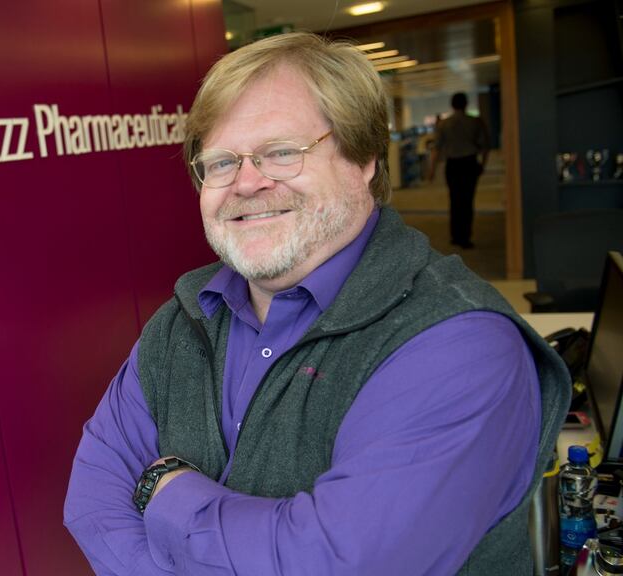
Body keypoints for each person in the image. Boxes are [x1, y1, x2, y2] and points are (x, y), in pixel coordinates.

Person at [64, 32, 570, 575]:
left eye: (282, 153)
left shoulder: (458, 343)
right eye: (220, 162)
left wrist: (165, 494)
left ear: (366, 159)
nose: (247, 183)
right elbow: (92, 504)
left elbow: (339, 564)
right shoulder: (183, 319)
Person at [429, 92, 490, 249]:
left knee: (455, 199)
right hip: (469, 163)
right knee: (467, 201)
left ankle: (455, 235)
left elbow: (436, 149)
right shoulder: (475, 122)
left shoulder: (443, 124)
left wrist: (432, 170)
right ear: (466, 104)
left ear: (452, 105)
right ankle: (465, 237)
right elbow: (485, 147)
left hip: (453, 165)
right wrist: (483, 164)